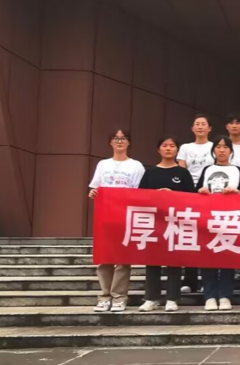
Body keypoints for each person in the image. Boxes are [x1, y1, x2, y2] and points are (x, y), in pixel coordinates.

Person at [88, 129, 145, 313]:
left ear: (129, 142)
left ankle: (119, 296)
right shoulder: (103, 164)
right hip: (105, 215)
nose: (120, 141)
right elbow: (95, 188)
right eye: (116, 138)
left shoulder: (136, 166)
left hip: (125, 215)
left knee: (122, 258)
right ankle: (104, 296)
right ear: (110, 142)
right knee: (104, 257)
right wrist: (93, 193)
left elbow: (139, 191)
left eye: (123, 138)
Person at [138, 136, 193, 313]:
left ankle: (172, 298)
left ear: (177, 150)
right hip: (153, 222)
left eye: (172, 145)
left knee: (173, 260)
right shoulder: (150, 172)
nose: (168, 148)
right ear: (158, 149)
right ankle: (151, 298)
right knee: (152, 261)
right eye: (164, 145)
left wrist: (172, 194)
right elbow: (140, 196)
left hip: (175, 222)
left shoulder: (183, 173)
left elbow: (192, 198)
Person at [196, 135, 240, 311]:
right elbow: (195, 194)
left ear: (231, 151)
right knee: (208, 258)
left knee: (227, 258)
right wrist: (201, 191)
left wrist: (237, 192)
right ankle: (210, 296)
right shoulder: (207, 169)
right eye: (218, 147)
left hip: (230, 218)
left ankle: (225, 295)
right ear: (213, 151)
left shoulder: (237, 171)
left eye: (225, 147)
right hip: (208, 219)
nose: (222, 150)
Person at [176, 113, 213, 294]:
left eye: (203, 124)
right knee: (190, 237)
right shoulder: (185, 147)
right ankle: (189, 280)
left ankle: (208, 280)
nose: (200, 127)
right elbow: (182, 169)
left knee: (208, 237)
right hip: (189, 193)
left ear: (209, 128)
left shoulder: (214, 146)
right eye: (197, 124)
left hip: (209, 193)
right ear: (192, 128)